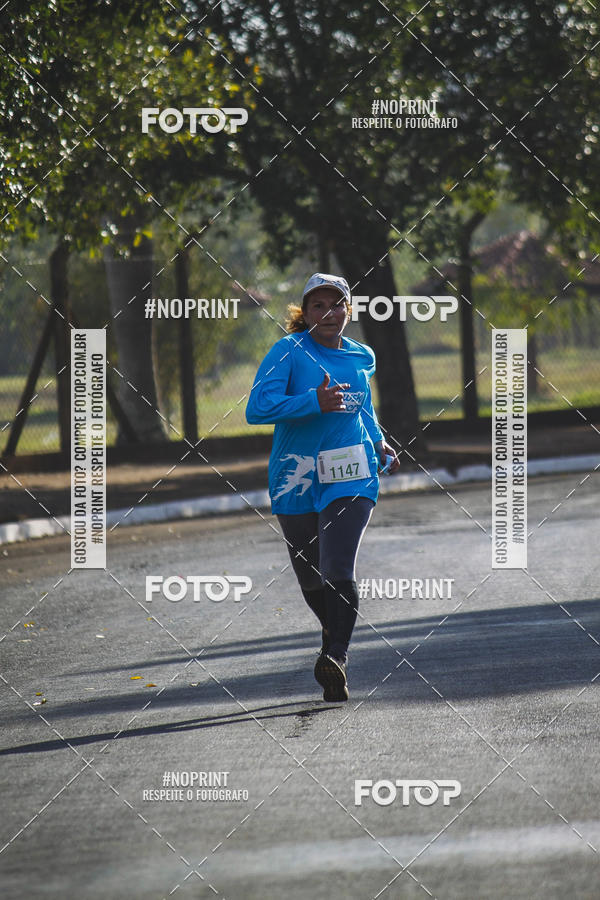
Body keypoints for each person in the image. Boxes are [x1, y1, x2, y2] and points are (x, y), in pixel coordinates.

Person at [245, 273, 400, 702]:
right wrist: (313, 400)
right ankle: (333, 629)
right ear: (305, 313)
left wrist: (379, 440)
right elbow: (257, 410)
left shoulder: (361, 356)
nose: (329, 314)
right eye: (319, 306)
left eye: (337, 305)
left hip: (352, 471)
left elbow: (363, 408)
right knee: (310, 577)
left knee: (336, 567)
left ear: (348, 310)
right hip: (296, 475)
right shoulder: (288, 352)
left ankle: (336, 656)